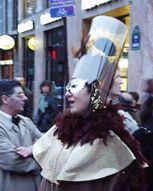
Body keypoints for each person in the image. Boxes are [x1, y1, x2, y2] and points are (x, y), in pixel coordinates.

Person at [33, 16, 148, 191]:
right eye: (69, 85)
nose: (67, 93)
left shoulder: (109, 138)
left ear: (95, 91)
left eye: (76, 86)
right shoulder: (61, 129)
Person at [0, 79, 42, 191]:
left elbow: (48, 142)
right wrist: (42, 163)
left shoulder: (26, 121)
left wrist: (32, 149)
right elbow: (13, 161)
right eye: (19, 95)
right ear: (5, 99)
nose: (25, 98)